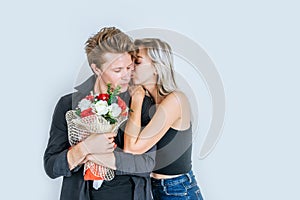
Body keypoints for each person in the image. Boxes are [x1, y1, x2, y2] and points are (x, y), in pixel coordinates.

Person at [44, 27, 156, 200]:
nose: (127, 76)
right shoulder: (68, 105)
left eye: (129, 67)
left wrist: (101, 156)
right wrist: (85, 148)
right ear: (96, 69)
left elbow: (148, 164)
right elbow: (51, 167)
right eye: (117, 70)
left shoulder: (142, 103)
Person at [123, 38, 204, 199]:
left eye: (137, 62)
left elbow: (131, 148)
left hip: (178, 191)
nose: (131, 67)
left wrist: (137, 99)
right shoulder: (149, 103)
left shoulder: (176, 100)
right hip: (151, 189)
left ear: (157, 68)